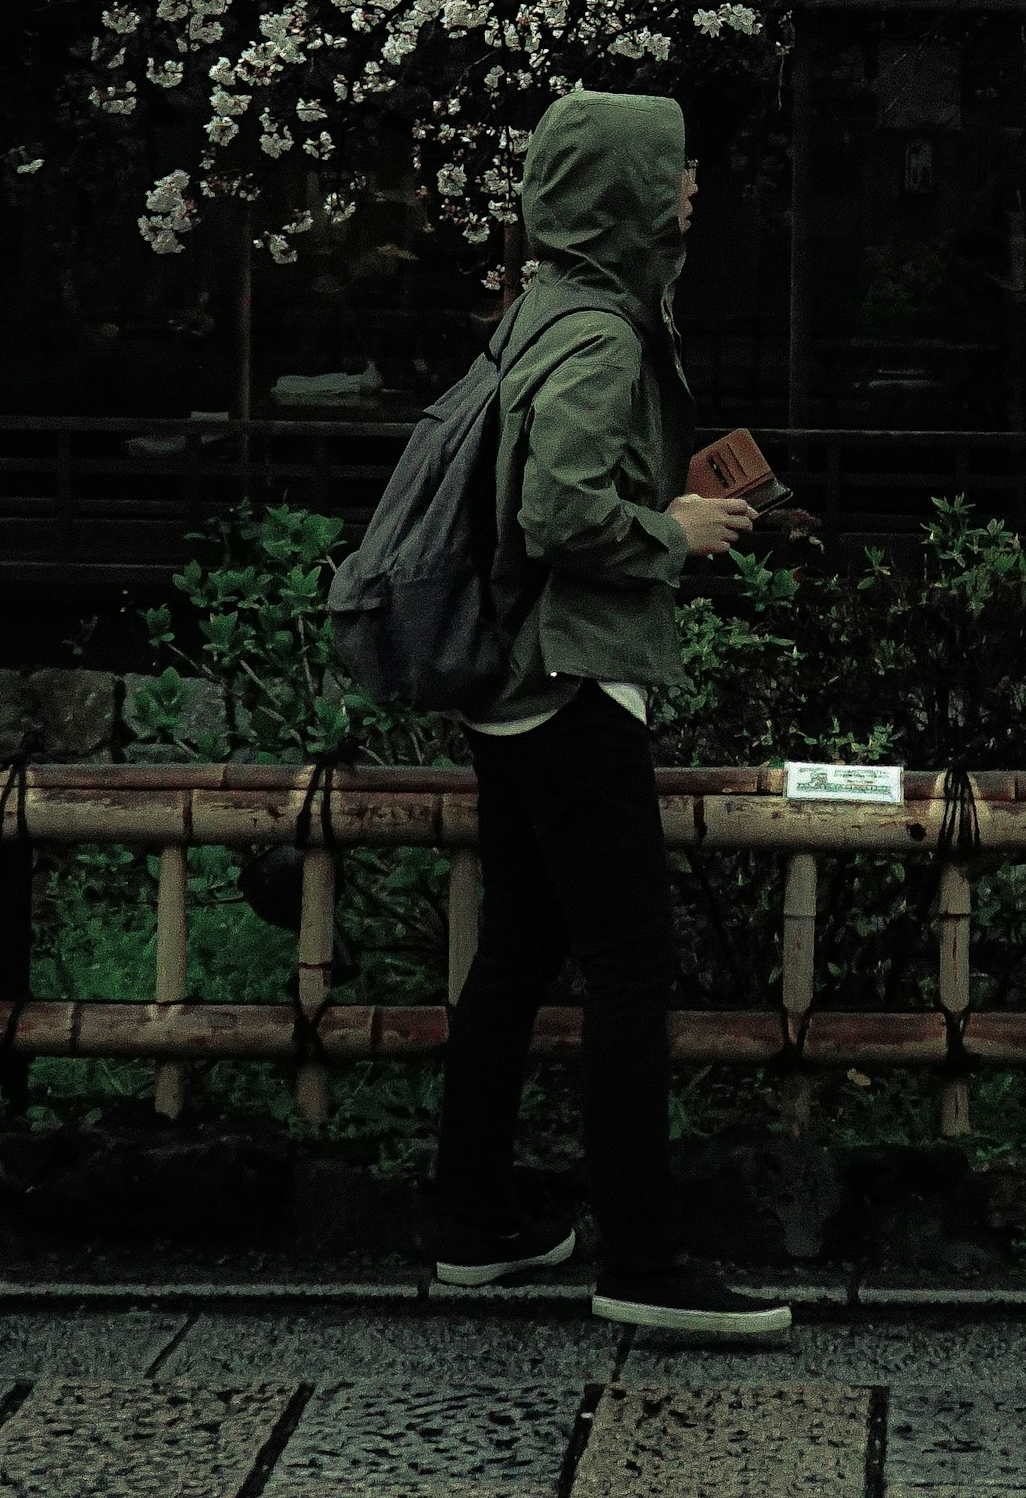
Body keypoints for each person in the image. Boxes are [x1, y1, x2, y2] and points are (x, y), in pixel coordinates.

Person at [427, 88, 788, 1338]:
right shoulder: (600, 337)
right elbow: (557, 514)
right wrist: (671, 528)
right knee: (633, 966)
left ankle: (473, 1223)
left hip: (511, 686)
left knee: (520, 949)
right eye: (675, 171)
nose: (694, 190)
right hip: (570, 679)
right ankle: (642, 1257)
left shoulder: (542, 310)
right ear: (629, 190)